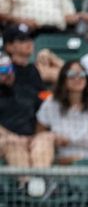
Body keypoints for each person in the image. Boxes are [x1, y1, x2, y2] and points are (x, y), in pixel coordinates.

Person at [0, 25, 55, 169]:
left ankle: (39, 185)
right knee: (14, 145)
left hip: (31, 134)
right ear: (9, 46)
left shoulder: (33, 71)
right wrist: (9, 136)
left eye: (30, 38)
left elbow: (68, 75)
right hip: (5, 137)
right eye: (22, 40)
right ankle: (25, 187)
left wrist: (52, 57)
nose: (29, 42)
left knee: (44, 141)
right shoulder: (3, 68)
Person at [36, 59, 88, 163]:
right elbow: (39, 137)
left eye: (82, 75)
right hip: (56, 161)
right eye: (72, 75)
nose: (77, 78)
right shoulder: (50, 104)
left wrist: (87, 163)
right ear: (63, 79)